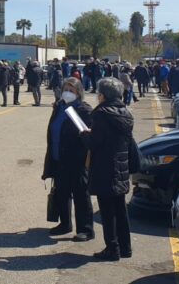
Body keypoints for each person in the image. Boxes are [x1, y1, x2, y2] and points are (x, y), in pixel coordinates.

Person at [80, 77, 135, 261]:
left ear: (102, 95)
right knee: (120, 208)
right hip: (121, 165)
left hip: (105, 166)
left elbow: (95, 143)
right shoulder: (125, 112)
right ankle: (125, 247)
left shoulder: (101, 113)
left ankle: (112, 248)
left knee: (107, 211)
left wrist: (85, 135)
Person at [43, 77, 95, 241]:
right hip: (58, 157)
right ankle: (65, 224)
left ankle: (85, 229)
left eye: (71, 90)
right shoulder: (59, 106)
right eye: (65, 89)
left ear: (78, 93)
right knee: (62, 192)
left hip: (77, 159)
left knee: (81, 195)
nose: (67, 93)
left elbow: (90, 136)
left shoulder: (84, 110)